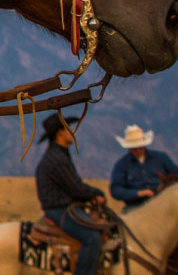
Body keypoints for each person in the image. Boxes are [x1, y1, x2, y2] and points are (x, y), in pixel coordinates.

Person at [110, 124, 178, 266]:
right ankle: (121, 266)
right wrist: (138, 193)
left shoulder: (161, 158)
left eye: (140, 146)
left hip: (163, 207)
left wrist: (165, 188)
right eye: (134, 148)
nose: (138, 150)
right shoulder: (122, 165)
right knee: (118, 234)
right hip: (135, 207)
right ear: (128, 148)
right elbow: (115, 190)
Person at [35, 113, 108, 275]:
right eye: (69, 129)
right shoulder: (57, 159)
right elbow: (76, 188)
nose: (72, 132)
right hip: (60, 210)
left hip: (61, 207)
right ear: (60, 133)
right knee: (92, 238)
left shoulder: (57, 155)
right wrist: (96, 193)